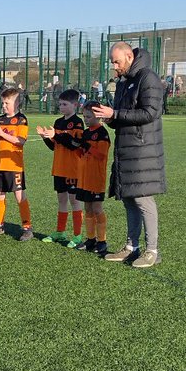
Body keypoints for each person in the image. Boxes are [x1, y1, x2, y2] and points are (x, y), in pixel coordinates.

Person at [92, 40, 166, 268]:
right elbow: (122, 118)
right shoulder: (124, 82)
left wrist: (115, 112)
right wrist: (110, 117)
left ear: (129, 56)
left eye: (117, 61)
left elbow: (151, 112)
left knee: (143, 199)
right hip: (125, 149)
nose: (114, 66)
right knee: (129, 199)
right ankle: (131, 247)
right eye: (112, 62)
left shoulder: (148, 78)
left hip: (143, 150)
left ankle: (152, 250)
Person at [36, 87, 85, 246]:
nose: (61, 107)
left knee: (74, 200)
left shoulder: (77, 123)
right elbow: (54, 147)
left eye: (64, 104)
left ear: (75, 105)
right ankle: (60, 232)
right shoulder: (58, 122)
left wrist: (56, 135)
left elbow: (75, 144)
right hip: (59, 168)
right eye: (60, 104)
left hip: (73, 168)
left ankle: (77, 235)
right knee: (61, 200)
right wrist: (46, 137)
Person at [0, 85, 33, 240]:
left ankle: (27, 228)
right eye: (3, 103)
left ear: (17, 103)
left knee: (20, 196)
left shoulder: (21, 120)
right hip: (0, 165)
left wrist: (2, 133)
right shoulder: (0, 119)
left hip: (14, 166)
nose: (4, 106)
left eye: (7, 103)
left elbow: (20, 141)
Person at [74, 101, 110, 256]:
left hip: (96, 177)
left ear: (99, 116)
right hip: (84, 177)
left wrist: (87, 145)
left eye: (88, 116)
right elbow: (81, 154)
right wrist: (77, 145)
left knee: (96, 208)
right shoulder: (86, 132)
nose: (85, 119)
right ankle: (90, 239)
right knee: (87, 207)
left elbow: (101, 154)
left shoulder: (102, 133)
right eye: (84, 116)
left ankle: (102, 241)